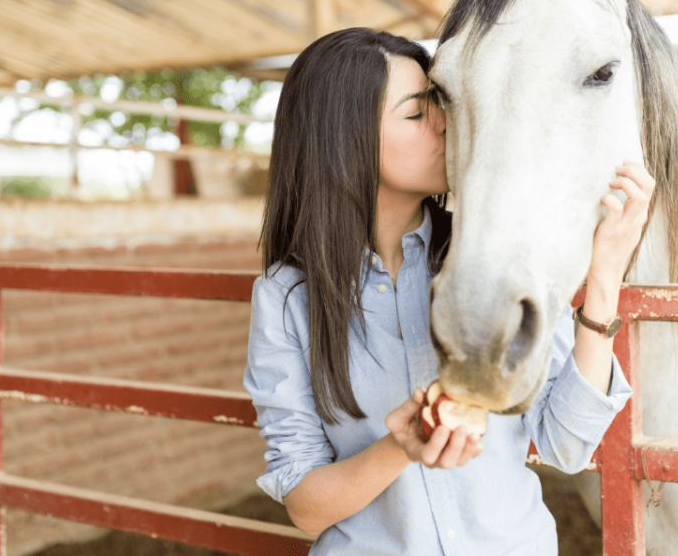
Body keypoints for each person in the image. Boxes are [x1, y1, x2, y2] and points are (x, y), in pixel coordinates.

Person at [244, 27, 649, 555]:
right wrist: (401, 447)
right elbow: (305, 508)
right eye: (416, 114)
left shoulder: (490, 258)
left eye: (438, 103)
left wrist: (604, 273)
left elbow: (566, 443)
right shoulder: (286, 299)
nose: (445, 123)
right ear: (345, 142)